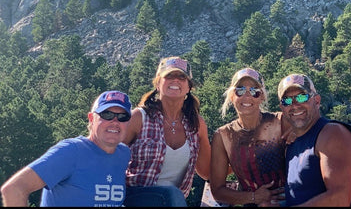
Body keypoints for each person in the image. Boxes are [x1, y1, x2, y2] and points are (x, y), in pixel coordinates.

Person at [1, 90, 132, 207]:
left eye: (122, 117)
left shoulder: (123, 154)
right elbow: (14, 189)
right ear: (91, 118)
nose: (115, 122)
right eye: (107, 114)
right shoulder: (71, 152)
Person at [123, 56, 211, 206]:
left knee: (172, 194)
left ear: (188, 87)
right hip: (135, 197)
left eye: (181, 77)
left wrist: (239, 162)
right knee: (171, 193)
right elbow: (108, 156)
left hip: (173, 202)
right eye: (169, 75)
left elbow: (206, 172)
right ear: (158, 83)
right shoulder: (139, 118)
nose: (175, 80)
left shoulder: (196, 124)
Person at [278, 73, 351, 207]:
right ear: (282, 108)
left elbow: (340, 199)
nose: (295, 105)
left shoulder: (332, 134)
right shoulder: (292, 145)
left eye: (302, 97)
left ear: (316, 101)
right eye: (286, 101)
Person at [209, 67, 287, 206]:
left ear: (262, 96)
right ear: (232, 96)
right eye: (240, 90)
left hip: (291, 199)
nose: (247, 96)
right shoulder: (223, 136)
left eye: (254, 91)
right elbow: (217, 190)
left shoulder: (280, 122)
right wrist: (254, 197)